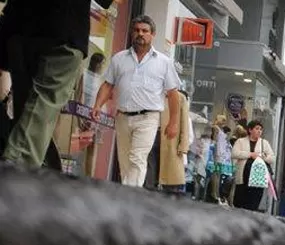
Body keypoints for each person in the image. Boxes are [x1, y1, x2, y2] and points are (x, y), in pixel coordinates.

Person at [0, 0, 115, 168]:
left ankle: (37, 172)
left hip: (20, 28)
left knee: (27, 112)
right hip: (63, 30)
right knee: (40, 109)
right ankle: (14, 174)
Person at [90, 15, 181, 187]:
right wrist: (97, 105)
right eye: (137, 30)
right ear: (132, 33)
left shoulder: (163, 62)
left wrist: (174, 122)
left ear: (152, 34)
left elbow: (173, 94)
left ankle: (131, 196)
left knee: (137, 158)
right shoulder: (119, 59)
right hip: (122, 117)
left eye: (145, 31)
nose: (140, 34)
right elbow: (108, 85)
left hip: (148, 118)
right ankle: (128, 195)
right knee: (124, 161)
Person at [229, 120, 274, 210]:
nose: (259, 131)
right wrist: (250, 154)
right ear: (250, 130)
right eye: (257, 129)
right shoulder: (240, 141)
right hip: (243, 177)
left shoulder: (264, 143)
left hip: (257, 178)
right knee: (239, 203)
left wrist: (263, 157)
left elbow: (272, 158)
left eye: (261, 129)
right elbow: (234, 153)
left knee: (253, 204)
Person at [158, 89, 191, 194]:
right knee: (149, 178)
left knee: (170, 181)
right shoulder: (154, 93)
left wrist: (183, 145)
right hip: (152, 137)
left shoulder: (180, 98)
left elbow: (185, 124)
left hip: (171, 142)